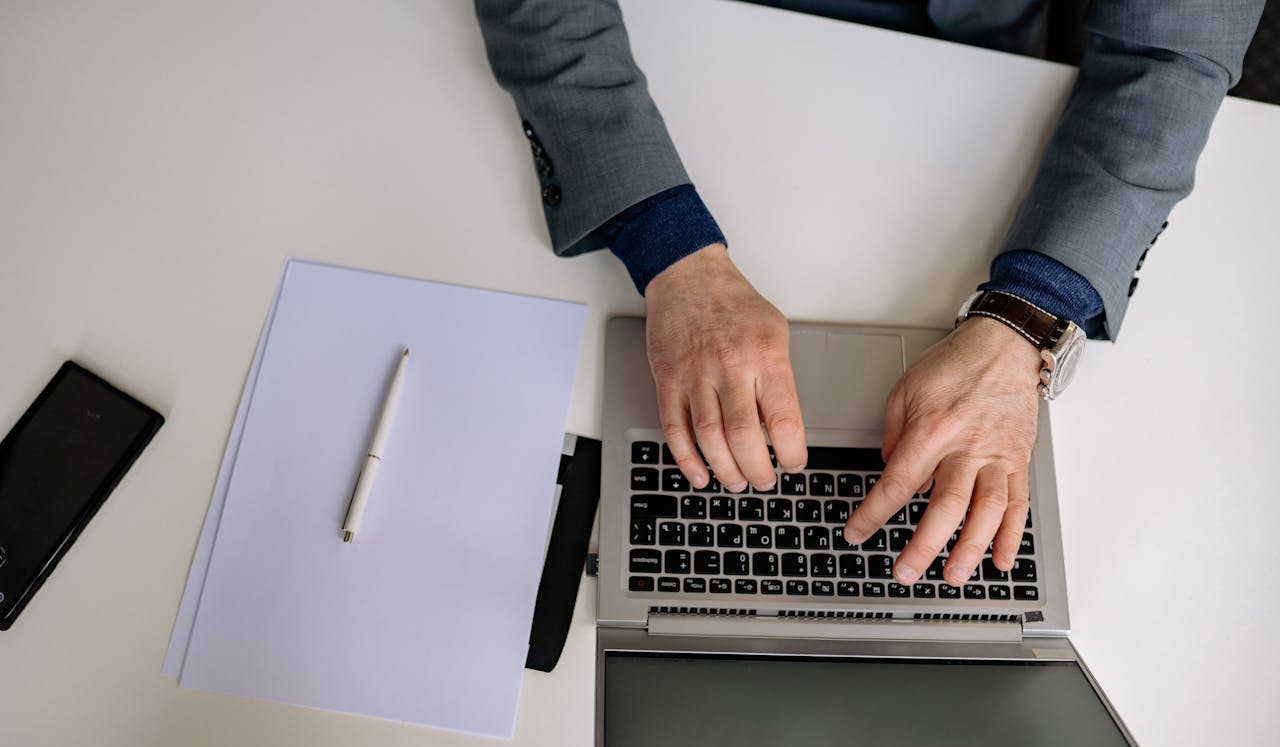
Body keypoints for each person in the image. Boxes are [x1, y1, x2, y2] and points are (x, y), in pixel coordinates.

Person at [474, 0, 1262, 588]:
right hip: (688, 41)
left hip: (971, 61)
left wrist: (1030, 313)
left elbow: (1175, 50)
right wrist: (664, 240)